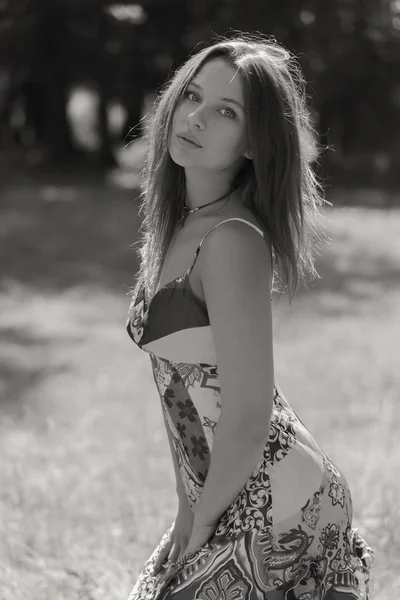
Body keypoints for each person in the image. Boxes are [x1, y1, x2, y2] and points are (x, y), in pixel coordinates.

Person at [126, 33, 374, 600]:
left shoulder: (231, 240)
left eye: (226, 111)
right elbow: (176, 397)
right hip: (225, 485)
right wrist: (186, 510)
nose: (196, 117)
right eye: (192, 97)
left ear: (255, 143)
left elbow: (248, 416)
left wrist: (203, 522)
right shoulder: (177, 226)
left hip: (279, 499)